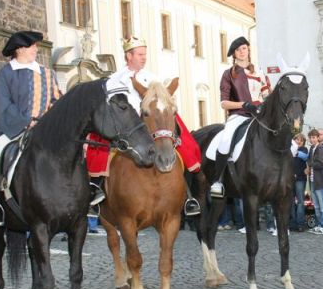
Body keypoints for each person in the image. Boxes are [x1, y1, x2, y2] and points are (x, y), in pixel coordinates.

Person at [89, 36, 201, 216]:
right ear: (128, 56)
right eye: (140, 54)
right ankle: (96, 189)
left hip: (152, 124)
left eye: (145, 54)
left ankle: (188, 194)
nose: (144, 57)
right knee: (99, 145)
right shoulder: (114, 80)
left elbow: (162, 103)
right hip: (125, 128)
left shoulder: (152, 78)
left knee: (178, 141)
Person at [0, 31, 61, 226]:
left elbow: (57, 100)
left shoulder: (47, 73)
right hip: (14, 129)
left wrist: (52, 122)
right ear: (20, 49)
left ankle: (85, 194)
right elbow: (3, 105)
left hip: (46, 129)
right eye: (33, 46)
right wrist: (26, 122)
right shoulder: (5, 74)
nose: (36, 49)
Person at [210, 36, 271, 197]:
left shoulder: (259, 71)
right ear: (234, 54)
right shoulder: (229, 74)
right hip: (239, 115)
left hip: (259, 116)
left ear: (248, 50)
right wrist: (243, 104)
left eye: (244, 48)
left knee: (290, 144)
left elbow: (267, 96)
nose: (242, 52)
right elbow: (224, 103)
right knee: (224, 142)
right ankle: (218, 181)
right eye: (238, 50)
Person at [307, 128, 323, 234]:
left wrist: (310, 164)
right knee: (316, 205)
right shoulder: (312, 148)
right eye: (310, 138)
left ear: (318, 138)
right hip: (313, 180)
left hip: (320, 180)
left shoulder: (320, 148)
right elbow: (309, 160)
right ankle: (319, 224)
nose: (312, 139)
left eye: (314, 137)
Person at [290, 133, 308, 232]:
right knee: (291, 202)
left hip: (300, 179)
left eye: (301, 140)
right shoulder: (290, 150)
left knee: (300, 202)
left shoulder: (303, 149)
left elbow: (305, 157)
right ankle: (292, 223)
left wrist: (294, 151)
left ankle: (300, 223)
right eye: (297, 139)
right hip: (290, 179)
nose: (299, 141)